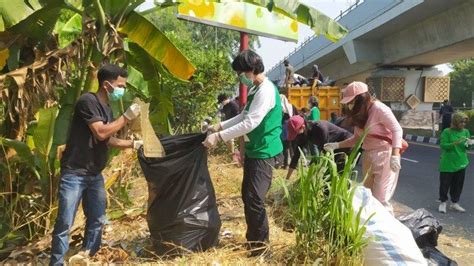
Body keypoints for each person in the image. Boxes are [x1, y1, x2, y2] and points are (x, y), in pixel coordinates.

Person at [50, 64, 143, 265]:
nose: (122, 89)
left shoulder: (107, 109)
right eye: (120, 85)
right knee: (65, 222)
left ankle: (87, 258)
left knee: (96, 220)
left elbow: (108, 139)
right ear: (107, 84)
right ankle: (56, 262)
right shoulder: (87, 101)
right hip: (75, 173)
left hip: (94, 174)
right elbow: (100, 132)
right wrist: (126, 117)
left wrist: (134, 144)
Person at [203, 50, 282, 256]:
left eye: (240, 72)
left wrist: (219, 137)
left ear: (251, 70)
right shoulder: (256, 88)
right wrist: (219, 126)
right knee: (247, 196)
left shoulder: (265, 91)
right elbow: (243, 116)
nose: (240, 77)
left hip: (265, 152)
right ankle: (253, 241)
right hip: (254, 150)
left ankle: (262, 248)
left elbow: (250, 122)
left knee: (255, 198)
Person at [324, 81, 403, 214]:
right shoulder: (360, 114)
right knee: (368, 197)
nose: (350, 105)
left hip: (384, 155)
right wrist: (336, 145)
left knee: (380, 199)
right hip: (368, 155)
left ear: (361, 98)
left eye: (352, 101)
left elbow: (397, 130)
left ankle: (385, 230)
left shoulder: (379, 109)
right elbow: (356, 139)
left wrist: (395, 155)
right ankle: (369, 229)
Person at [286, 116, 353, 179]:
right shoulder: (302, 134)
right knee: (328, 178)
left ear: (303, 127)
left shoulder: (319, 128)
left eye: (295, 133)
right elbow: (296, 155)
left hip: (345, 144)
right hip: (331, 147)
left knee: (339, 175)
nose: (296, 136)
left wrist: (314, 174)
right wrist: (287, 179)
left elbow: (325, 153)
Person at [438, 112, 472, 213]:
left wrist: (469, 144)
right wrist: (455, 143)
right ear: (455, 122)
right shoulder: (447, 132)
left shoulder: (466, 132)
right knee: (445, 184)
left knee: (458, 184)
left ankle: (454, 203)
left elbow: (466, 148)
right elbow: (443, 146)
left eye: (464, 122)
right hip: (448, 163)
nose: (463, 124)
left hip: (461, 162)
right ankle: (443, 203)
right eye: (461, 122)